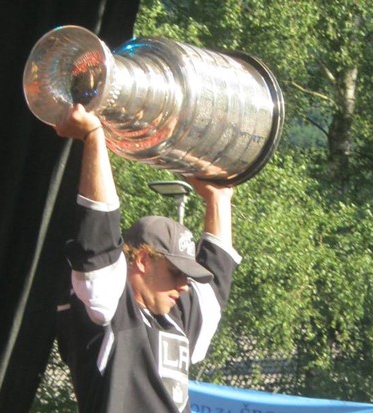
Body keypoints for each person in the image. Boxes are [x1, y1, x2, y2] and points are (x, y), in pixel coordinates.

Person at [54, 104, 242, 413]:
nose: (184, 286)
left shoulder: (174, 318)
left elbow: (215, 283)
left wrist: (218, 199)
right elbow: (98, 241)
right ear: (142, 260)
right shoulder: (110, 315)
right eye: (176, 273)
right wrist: (94, 136)